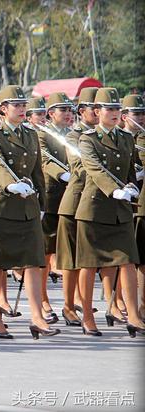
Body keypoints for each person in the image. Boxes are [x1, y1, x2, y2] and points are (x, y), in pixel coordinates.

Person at [0, 85, 59, 340]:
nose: (22, 108)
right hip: (2, 206)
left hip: (27, 207)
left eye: (24, 104)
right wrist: (11, 185)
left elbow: (37, 172)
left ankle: (37, 317)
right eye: (17, 105)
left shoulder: (30, 134)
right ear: (3, 109)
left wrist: (42, 204)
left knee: (34, 261)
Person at [75, 87, 144, 337]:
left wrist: (132, 187)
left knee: (127, 262)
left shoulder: (126, 138)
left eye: (118, 109)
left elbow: (129, 171)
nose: (115, 113)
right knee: (89, 265)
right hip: (94, 209)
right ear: (97, 111)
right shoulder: (88, 138)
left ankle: (134, 316)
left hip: (120, 212)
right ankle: (87, 316)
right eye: (110, 109)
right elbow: (93, 168)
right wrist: (115, 190)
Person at [55, 87, 99, 328]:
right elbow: (79, 168)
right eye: (98, 108)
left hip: (99, 204)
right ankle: (69, 306)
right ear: (83, 111)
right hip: (76, 202)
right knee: (72, 260)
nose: (101, 112)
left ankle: (109, 304)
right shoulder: (74, 136)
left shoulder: (108, 135)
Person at [37, 92, 75, 323]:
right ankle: (42, 299)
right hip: (51, 197)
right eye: (63, 110)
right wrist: (63, 174)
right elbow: (44, 159)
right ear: (51, 113)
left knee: (71, 253)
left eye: (70, 110)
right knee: (45, 251)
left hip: (71, 197)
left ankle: (71, 302)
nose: (69, 114)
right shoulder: (42, 134)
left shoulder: (74, 134)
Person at [121, 94, 145, 319]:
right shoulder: (124, 139)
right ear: (124, 116)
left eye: (143, 113)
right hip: (134, 205)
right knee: (137, 260)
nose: (141, 117)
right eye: (136, 113)